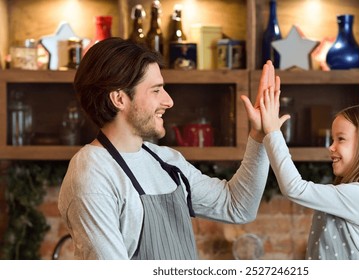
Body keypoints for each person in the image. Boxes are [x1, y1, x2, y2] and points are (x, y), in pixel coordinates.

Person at [58, 37, 278, 260]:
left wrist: (259, 136)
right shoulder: (92, 175)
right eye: (156, 91)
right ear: (119, 98)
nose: (169, 101)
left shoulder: (165, 161)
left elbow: (238, 206)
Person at [258, 90, 359, 260]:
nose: (331, 147)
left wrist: (273, 133)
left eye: (341, 139)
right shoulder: (350, 192)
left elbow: (294, 188)